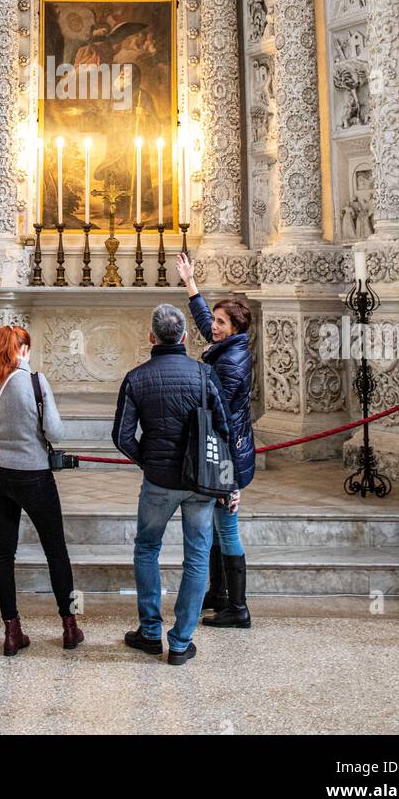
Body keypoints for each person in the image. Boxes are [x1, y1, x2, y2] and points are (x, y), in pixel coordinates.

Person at [112, 302, 231, 665]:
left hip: (159, 482)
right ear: (183, 336)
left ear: (151, 336)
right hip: (200, 482)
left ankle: (150, 632)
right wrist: (227, 482)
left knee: (147, 547)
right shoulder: (203, 374)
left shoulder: (136, 377)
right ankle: (180, 642)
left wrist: (148, 460)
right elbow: (222, 429)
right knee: (196, 556)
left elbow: (121, 435)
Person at [0, 325, 84, 656]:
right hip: (34, 475)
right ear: (22, 350)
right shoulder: (35, 381)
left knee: (4, 552)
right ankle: (69, 627)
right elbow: (56, 432)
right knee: (56, 551)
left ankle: (12, 631)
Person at [176, 252, 256, 629]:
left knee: (226, 528)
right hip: (223, 452)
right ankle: (218, 592)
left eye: (222, 323)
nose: (215, 328)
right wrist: (191, 283)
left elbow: (220, 417)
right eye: (218, 322)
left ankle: (237, 608)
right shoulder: (228, 346)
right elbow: (206, 323)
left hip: (227, 453)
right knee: (213, 523)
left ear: (236, 329)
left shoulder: (231, 362)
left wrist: (231, 480)